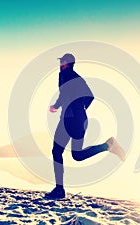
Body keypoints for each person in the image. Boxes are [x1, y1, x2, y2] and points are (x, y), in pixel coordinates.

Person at [45, 53, 125, 199]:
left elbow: (86, 96)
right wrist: (63, 107)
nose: (60, 64)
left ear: (69, 63)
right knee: (71, 154)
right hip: (71, 119)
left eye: (62, 62)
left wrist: (77, 109)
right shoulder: (66, 76)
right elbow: (72, 96)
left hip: (74, 120)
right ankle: (108, 145)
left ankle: (59, 189)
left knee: (63, 153)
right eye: (60, 61)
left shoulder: (70, 76)